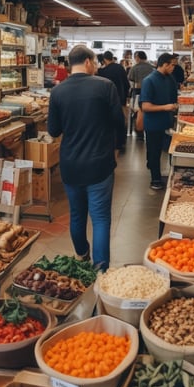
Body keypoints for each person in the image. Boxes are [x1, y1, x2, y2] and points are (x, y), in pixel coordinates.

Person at [47, 44, 125, 271]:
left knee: (77, 215)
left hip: (70, 164)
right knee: (100, 218)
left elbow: (53, 131)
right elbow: (119, 124)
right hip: (100, 163)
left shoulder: (58, 91)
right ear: (89, 62)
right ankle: (101, 269)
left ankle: (81, 256)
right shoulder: (105, 86)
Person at [139, 53, 178, 190]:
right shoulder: (149, 81)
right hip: (154, 124)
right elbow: (145, 106)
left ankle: (173, 177)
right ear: (165, 64)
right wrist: (165, 107)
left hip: (168, 122)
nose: (174, 67)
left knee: (171, 151)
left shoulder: (170, 79)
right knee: (154, 153)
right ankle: (155, 179)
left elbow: (174, 97)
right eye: (172, 64)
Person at [97, 50, 130, 147]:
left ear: (104, 59)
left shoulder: (103, 71)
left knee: (110, 120)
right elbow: (127, 84)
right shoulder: (120, 68)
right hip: (121, 98)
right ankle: (121, 141)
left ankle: (112, 141)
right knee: (121, 119)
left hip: (108, 99)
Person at [128, 50, 155, 140]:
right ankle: (149, 130)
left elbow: (130, 79)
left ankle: (139, 132)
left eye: (135, 57)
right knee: (150, 110)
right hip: (151, 92)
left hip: (138, 91)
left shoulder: (135, 68)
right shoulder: (152, 67)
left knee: (137, 111)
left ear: (138, 57)